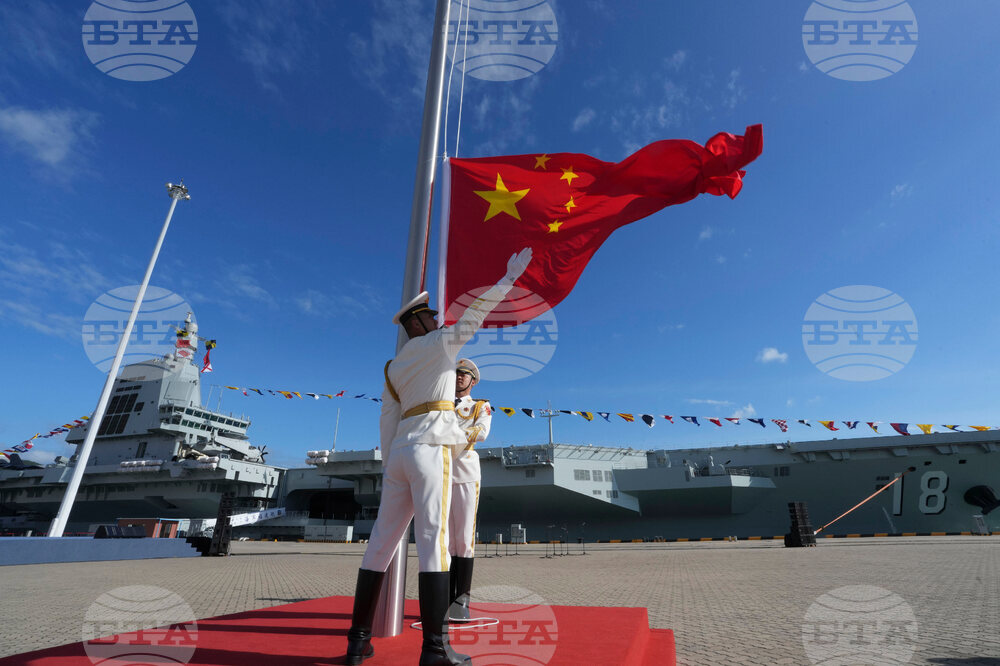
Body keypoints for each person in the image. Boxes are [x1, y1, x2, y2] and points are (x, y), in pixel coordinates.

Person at [346, 248, 532, 666]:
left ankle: (357, 643)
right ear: (417, 322)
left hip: (399, 453)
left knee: (379, 546)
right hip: (433, 448)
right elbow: (476, 315)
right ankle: (434, 650)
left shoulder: (394, 366)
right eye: (429, 315)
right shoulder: (440, 345)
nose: (436, 319)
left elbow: (386, 419)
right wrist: (507, 278)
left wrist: (392, 463)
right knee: (435, 545)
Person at [449, 358, 491, 622]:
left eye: (465, 374)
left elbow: (481, 432)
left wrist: (448, 437)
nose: (460, 377)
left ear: (472, 381)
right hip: (439, 472)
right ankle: (442, 599)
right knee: (444, 541)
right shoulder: (439, 404)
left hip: (465, 471)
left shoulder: (479, 406)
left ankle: (461, 601)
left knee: (464, 539)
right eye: (457, 373)